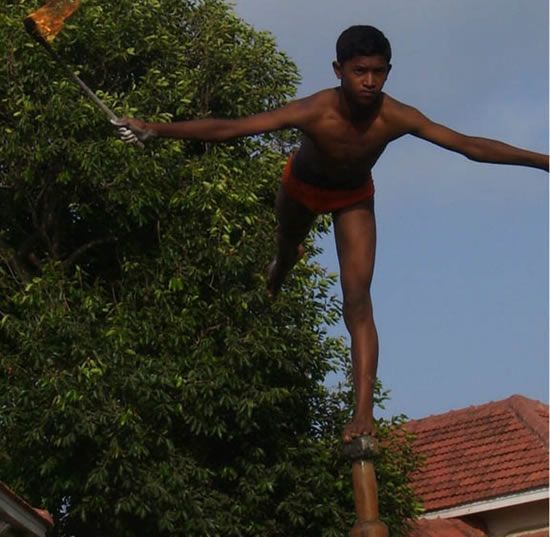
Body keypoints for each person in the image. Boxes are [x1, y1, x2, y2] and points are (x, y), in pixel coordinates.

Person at [112, 25, 548, 443]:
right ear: (338, 70)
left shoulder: (397, 116)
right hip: (300, 190)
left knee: (358, 298)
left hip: (353, 198)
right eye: (360, 72)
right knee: (284, 249)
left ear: (388, 72)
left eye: (378, 72)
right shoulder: (314, 110)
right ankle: (284, 261)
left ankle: (362, 412)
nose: (370, 82)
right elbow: (233, 127)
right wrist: (155, 128)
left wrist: (542, 159)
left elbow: (466, 144)